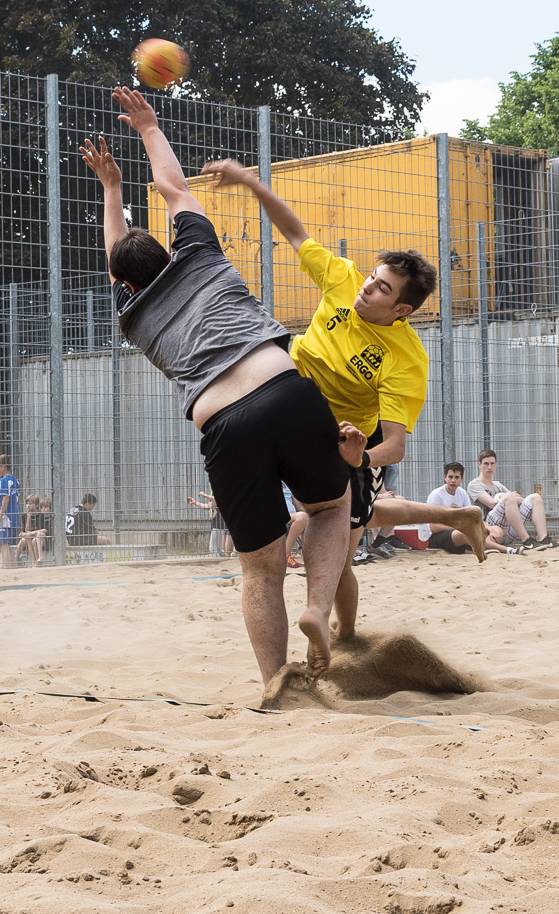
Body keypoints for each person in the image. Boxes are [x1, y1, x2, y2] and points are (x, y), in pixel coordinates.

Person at [82, 90, 358, 685]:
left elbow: (116, 254)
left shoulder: (134, 317)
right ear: (170, 247)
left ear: (121, 283)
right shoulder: (201, 254)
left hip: (223, 424)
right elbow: (177, 191)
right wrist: (150, 129)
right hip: (282, 385)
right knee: (331, 508)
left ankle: (274, 683)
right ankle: (317, 606)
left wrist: (110, 191)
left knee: (259, 572)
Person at [199, 157, 437, 639]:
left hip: (339, 441)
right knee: (306, 536)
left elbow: (395, 446)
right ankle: (322, 621)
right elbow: (293, 229)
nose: (367, 287)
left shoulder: (407, 359)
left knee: (338, 557)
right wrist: (249, 181)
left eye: (382, 289)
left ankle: (342, 636)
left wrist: (359, 457)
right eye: (373, 277)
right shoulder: (345, 279)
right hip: (285, 402)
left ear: (402, 309)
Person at [466, 449, 554, 550]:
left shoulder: (497, 485)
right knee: (508, 498)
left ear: (496, 465)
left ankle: (544, 539)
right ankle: (526, 540)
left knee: (535, 497)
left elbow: (519, 499)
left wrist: (508, 497)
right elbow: (492, 504)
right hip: (489, 530)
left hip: (508, 531)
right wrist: (507, 496)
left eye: (492, 463)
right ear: (479, 465)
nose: (489, 467)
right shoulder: (474, 485)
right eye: (486, 464)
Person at [0, 454, 22, 569]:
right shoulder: (15, 480)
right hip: (14, 515)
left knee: (3, 543)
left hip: (6, 516)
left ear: (3, 467)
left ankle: (7, 567)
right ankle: (13, 566)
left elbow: (6, 498)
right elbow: (17, 498)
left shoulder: (4, 480)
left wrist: (0, 516)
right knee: (8, 543)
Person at [188, 490, 231, 556]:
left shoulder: (220, 500)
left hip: (218, 527)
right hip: (218, 528)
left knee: (212, 548)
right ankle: (224, 559)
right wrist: (195, 502)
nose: (211, 502)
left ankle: (217, 561)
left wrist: (204, 495)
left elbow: (215, 499)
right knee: (218, 549)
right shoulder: (214, 504)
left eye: (211, 500)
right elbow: (207, 506)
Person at [283, 484, 309, 567]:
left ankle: (306, 557)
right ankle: (286, 554)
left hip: (292, 516)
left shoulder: (288, 485)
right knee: (302, 517)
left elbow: (298, 506)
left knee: (308, 519)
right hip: (277, 516)